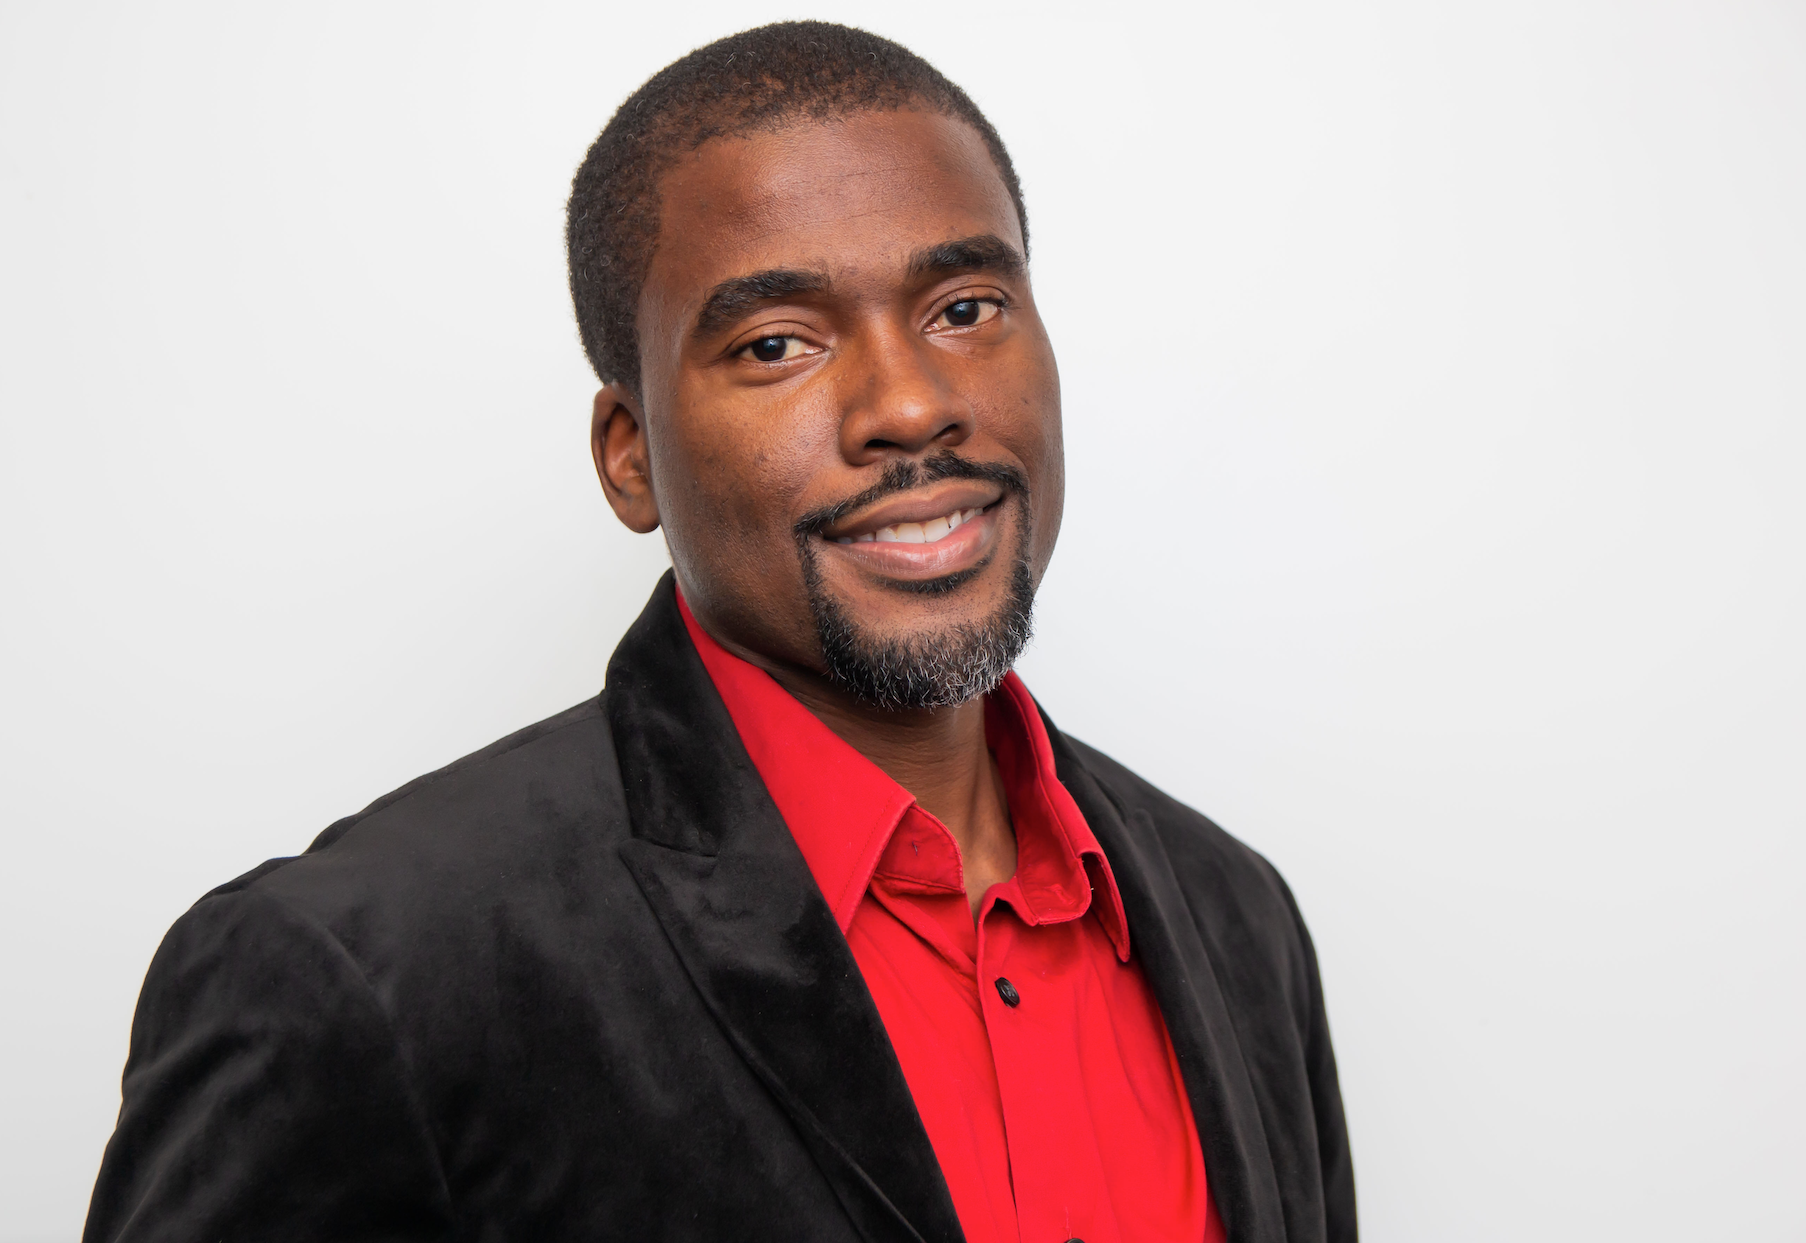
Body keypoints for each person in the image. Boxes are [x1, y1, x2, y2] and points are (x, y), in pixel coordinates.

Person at [84, 21, 1353, 1243]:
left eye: (964, 308)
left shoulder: (1233, 917)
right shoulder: (363, 972)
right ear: (629, 457)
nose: (910, 404)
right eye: (776, 343)